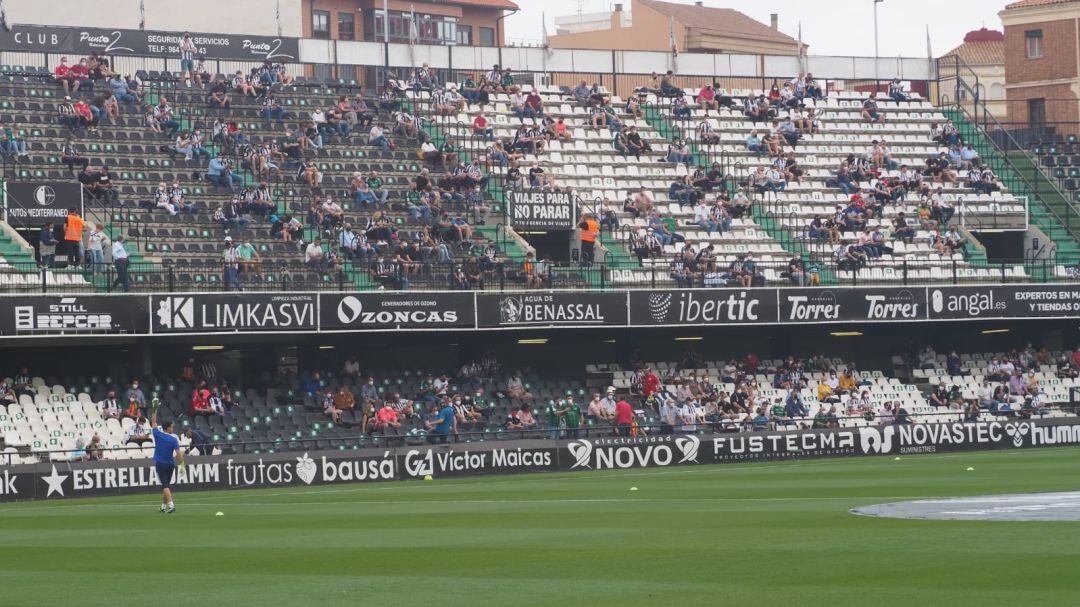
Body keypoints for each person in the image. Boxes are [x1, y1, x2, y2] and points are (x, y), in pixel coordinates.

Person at [152, 420, 183, 514]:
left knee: (165, 486)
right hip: (170, 465)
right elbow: (178, 454)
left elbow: (153, 422)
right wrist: (182, 463)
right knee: (167, 486)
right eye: (172, 427)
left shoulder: (157, 435)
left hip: (161, 464)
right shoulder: (174, 440)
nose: (172, 428)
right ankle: (163, 507)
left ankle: (171, 506)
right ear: (168, 428)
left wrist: (154, 410)